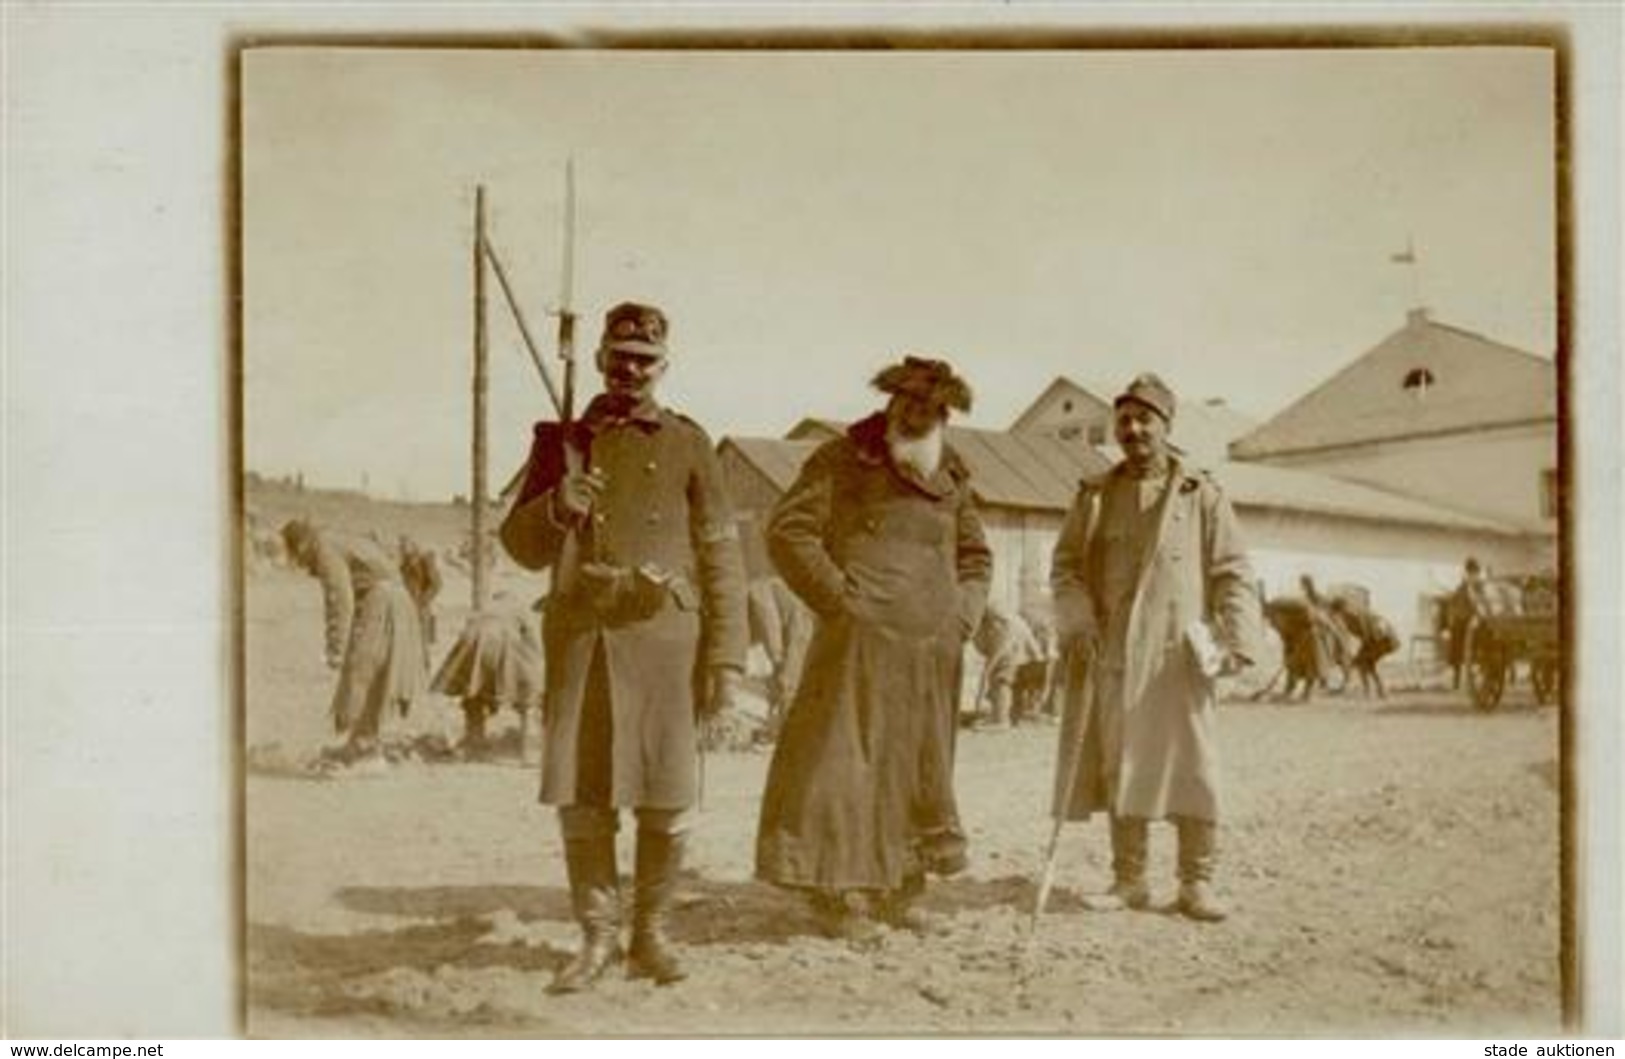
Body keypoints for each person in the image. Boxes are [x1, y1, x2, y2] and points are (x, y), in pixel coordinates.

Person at [499, 301, 748, 993]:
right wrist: (558, 505)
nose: (630, 370)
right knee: (582, 796)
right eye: (618, 356)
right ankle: (597, 937)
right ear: (602, 359)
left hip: (664, 644)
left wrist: (726, 659)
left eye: (644, 359)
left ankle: (651, 934)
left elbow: (721, 555)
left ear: (664, 365)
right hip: (582, 642)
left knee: (665, 796)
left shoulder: (688, 443)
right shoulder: (561, 441)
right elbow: (519, 547)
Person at [755, 356, 992, 941]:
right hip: (856, 646)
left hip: (930, 652)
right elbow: (788, 532)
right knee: (844, 766)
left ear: (945, 415)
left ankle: (900, 890)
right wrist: (840, 600)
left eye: (932, 408)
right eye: (908, 402)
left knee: (917, 769)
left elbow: (976, 557)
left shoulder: (953, 474)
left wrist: (959, 616)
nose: (918, 415)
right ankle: (835, 899)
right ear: (890, 402)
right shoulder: (841, 459)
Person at [1049, 373, 1262, 923]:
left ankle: (1196, 883)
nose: (1133, 429)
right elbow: (1066, 567)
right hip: (1113, 655)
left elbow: (1232, 571)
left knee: (1193, 766)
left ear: (1167, 427)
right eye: (1124, 419)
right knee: (1124, 762)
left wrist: (1236, 640)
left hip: (1178, 655)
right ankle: (1130, 880)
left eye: (1146, 419)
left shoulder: (1200, 494)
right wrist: (1078, 620)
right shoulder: (1094, 494)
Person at [281, 518, 428, 763]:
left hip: (383, 600)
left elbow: (339, 599)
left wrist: (336, 650)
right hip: (397, 600)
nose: (303, 565)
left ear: (302, 546)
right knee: (377, 674)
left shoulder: (324, 549)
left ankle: (364, 748)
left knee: (361, 670)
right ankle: (362, 742)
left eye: (297, 557)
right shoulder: (338, 539)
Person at [746, 574, 815, 737]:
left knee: (787, 678)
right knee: (783, 677)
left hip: (799, 619)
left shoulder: (757, 592)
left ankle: (785, 729)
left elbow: (770, 625)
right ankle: (779, 723)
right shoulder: (758, 591)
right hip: (794, 617)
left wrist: (776, 657)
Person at [970, 601, 1043, 730]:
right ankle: (1001, 716)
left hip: (1026, 660)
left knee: (1001, 680)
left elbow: (1001, 650)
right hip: (1022, 658)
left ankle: (1001, 721)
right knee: (1001, 680)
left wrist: (988, 669)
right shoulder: (998, 623)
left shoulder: (1003, 625)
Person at [1328, 595, 1400, 699]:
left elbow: (1366, 631)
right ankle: (1378, 691)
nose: (1335, 615)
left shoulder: (1353, 615)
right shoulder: (1347, 617)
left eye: (1335, 612)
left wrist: (1360, 652)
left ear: (1340, 609)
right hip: (1374, 639)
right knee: (1367, 665)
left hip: (1380, 639)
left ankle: (1371, 691)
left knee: (1364, 664)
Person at [398, 535, 443, 659]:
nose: (401, 548)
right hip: (407, 606)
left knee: (422, 644)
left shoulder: (425, 561)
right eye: (401, 546)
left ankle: (424, 671)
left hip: (421, 608)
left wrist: (422, 600)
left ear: (413, 546)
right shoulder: (403, 565)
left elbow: (437, 584)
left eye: (404, 545)